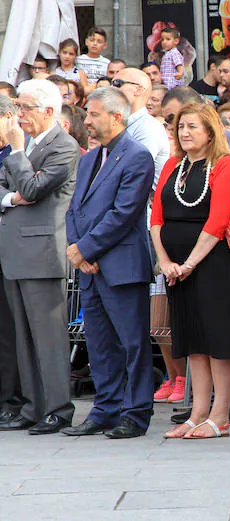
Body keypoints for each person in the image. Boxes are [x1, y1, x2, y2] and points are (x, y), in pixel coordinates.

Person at [61, 87, 156, 438]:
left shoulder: (137, 156)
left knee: (132, 343)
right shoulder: (88, 159)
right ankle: (105, 408)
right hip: (91, 267)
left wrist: (84, 250)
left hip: (121, 267)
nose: (86, 121)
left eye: (94, 115)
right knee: (99, 344)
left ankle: (136, 413)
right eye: (86, 114)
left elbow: (123, 214)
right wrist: (77, 249)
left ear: (117, 117)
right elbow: (74, 209)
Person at [151, 102, 230, 440]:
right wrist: (165, 261)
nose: (185, 132)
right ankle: (197, 412)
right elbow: (156, 217)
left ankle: (220, 416)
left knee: (217, 338)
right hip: (175, 267)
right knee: (192, 340)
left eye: (192, 126)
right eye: (181, 127)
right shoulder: (173, 165)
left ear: (209, 131)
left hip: (212, 264)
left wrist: (189, 263)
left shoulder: (223, 165)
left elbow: (217, 221)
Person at [0, 79, 79, 434]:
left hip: (43, 250)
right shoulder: (27, 145)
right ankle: (33, 405)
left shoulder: (63, 146)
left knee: (48, 337)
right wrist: (12, 198)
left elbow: (32, 187)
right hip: (16, 250)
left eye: (25, 107)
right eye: (17, 107)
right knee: (23, 336)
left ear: (49, 110)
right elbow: (9, 187)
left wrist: (17, 155)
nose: (19, 115)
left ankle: (58, 407)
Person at [0, 94, 21, 426]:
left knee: (8, 328)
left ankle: (10, 398)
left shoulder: (17, 151)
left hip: (11, 248)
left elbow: (26, 190)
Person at [113, 68, 170, 183]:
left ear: (138, 90)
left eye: (117, 84)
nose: (111, 89)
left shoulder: (148, 127)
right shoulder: (121, 123)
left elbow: (134, 173)